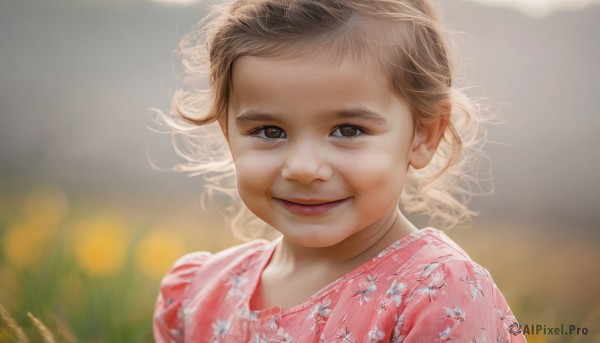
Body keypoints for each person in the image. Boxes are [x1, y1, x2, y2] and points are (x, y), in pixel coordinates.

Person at [153, 0, 526, 341]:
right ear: (229, 135)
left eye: (348, 130)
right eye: (269, 132)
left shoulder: (436, 294)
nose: (303, 169)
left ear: (423, 135)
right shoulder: (199, 295)